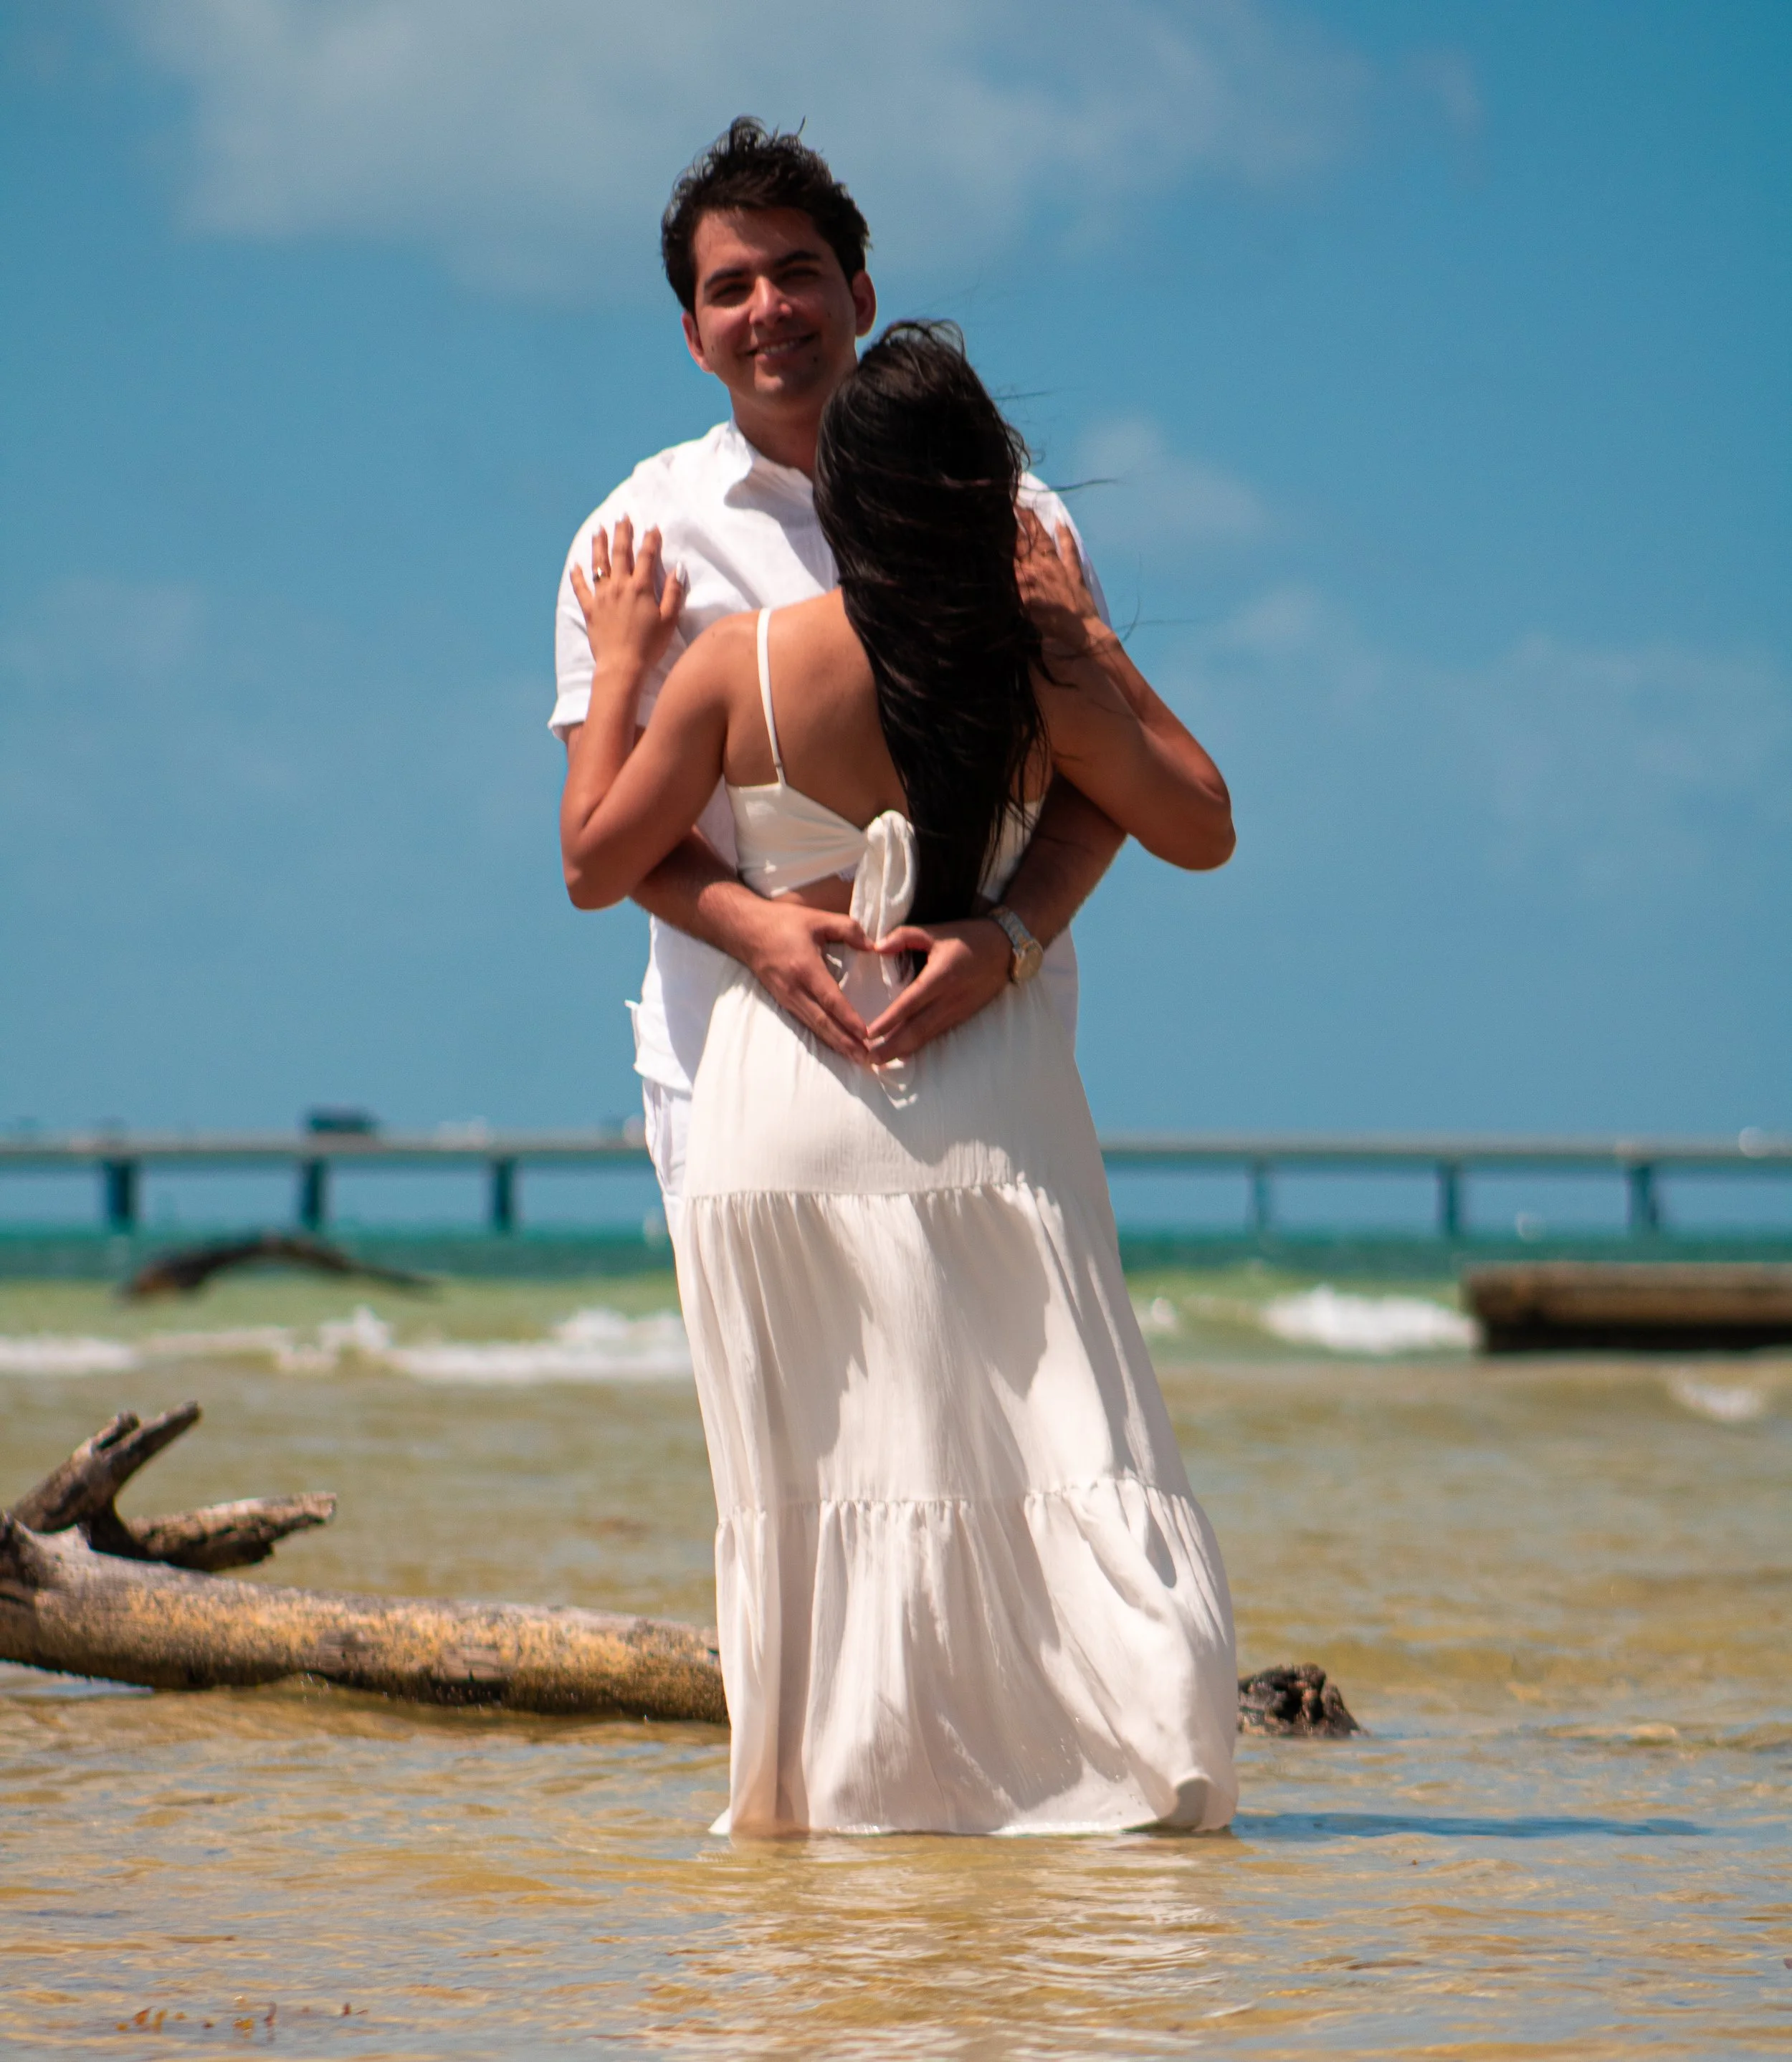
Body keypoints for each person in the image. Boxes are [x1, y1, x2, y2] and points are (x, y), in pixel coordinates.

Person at [560, 321, 1239, 1836]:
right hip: (982, 1088)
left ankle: (850, 1802)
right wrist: (1092, 636)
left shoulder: (742, 665)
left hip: (786, 1097)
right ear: (993, 491)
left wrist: (615, 670)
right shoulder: (1040, 670)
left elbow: (595, 859)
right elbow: (1199, 821)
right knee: (1057, 1440)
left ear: (842, 503)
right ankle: (1119, 1762)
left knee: (834, 1474)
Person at [551, 120, 1124, 1231]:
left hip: (994, 1056)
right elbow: (615, 836)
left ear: (860, 296)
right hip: (732, 1065)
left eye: (797, 272)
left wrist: (1011, 939)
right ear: (693, 337)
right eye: (731, 289)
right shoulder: (638, 539)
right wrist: (750, 928)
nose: (768, 308)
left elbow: (1104, 776)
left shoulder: (1008, 513)